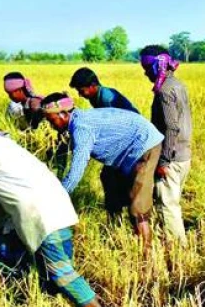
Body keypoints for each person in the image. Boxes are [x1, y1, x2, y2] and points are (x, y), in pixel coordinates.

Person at [0, 102, 110, 307]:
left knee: (61, 273)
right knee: (51, 268)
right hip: (58, 202)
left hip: (40, 213)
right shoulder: (0, 140)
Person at [41, 93, 164, 249]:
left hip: (144, 145)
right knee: (109, 180)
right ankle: (115, 231)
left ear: (64, 114)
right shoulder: (77, 120)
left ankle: (146, 255)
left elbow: (77, 170)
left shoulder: (81, 128)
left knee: (138, 206)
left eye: (52, 120)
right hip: (127, 152)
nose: (51, 125)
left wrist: (58, 196)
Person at [140, 45, 192, 245]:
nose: (145, 73)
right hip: (184, 153)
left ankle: (178, 248)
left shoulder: (164, 90)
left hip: (171, 156)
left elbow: (171, 127)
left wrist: (163, 161)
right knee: (173, 202)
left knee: (168, 204)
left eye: (146, 67)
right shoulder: (178, 84)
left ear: (156, 66)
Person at [68, 67, 139, 113]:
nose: (80, 95)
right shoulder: (93, 97)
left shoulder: (106, 98)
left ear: (92, 85)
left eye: (81, 91)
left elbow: (113, 124)